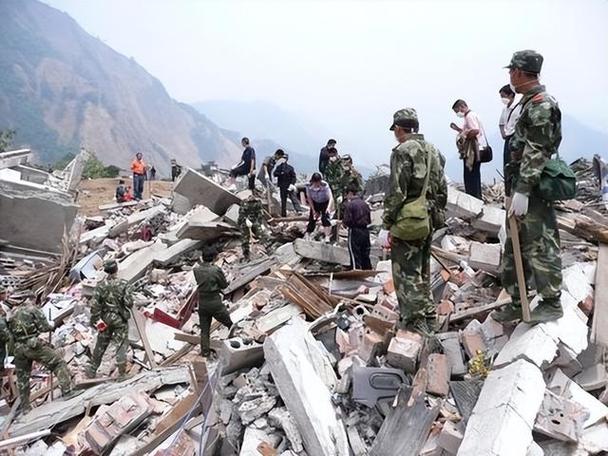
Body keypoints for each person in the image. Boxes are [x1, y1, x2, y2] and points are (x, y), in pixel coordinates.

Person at [493, 50, 564, 324]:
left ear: (520, 72)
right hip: (520, 185)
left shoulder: (542, 105)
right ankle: (516, 299)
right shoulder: (527, 103)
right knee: (515, 246)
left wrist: (523, 188)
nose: (510, 76)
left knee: (541, 243)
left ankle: (551, 301)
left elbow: (537, 150)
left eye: (511, 71)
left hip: (532, 188)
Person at [379, 108, 447, 333]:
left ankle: (415, 321)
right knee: (422, 270)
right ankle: (428, 316)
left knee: (406, 274)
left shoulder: (402, 151)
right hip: (427, 219)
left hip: (408, 222)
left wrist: (386, 223)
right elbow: (441, 188)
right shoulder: (433, 151)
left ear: (399, 129)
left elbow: (397, 192)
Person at [9, 301, 74, 412]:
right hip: (33, 345)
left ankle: (25, 408)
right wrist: (51, 324)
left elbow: (9, 333)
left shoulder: (12, 314)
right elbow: (45, 327)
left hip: (18, 348)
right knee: (58, 363)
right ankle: (67, 392)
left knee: (22, 378)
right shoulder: (32, 310)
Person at [85, 259, 134, 379]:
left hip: (105, 319)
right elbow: (129, 303)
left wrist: (95, 320)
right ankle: (122, 373)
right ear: (116, 270)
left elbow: (95, 305)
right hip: (119, 319)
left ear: (106, 271)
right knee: (121, 344)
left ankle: (92, 370)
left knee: (101, 344)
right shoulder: (124, 284)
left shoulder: (100, 286)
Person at [193, 249, 233, 357]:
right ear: (214, 257)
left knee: (204, 331)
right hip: (214, 301)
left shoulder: (196, 270)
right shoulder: (215, 270)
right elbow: (224, 285)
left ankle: (205, 353)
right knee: (230, 324)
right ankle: (233, 345)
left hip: (202, 302)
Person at [450, 100, 487, 199]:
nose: (458, 113)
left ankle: (473, 199)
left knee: (470, 176)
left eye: (457, 110)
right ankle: (477, 197)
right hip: (477, 148)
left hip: (473, 150)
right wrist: (459, 130)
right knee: (474, 175)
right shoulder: (472, 115)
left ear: (462, 107)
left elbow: (475, 130)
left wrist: (464, 136)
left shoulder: (470, 116)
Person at [498, 85, 522, 197]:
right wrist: (503, 134)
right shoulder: (505, 109)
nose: (502, 98)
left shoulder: (519, 108)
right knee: (507, 166)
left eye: (504, 96)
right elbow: (501, 123)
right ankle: (508, 195)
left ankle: (516, 193)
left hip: (516, 137)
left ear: (511, 95)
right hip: (508, 139)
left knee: (515, 166)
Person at [343, 187, 372, 270]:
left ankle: (356, 270)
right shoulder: (365, 204)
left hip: (355, 230)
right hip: (365, 231)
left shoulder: (350, 205)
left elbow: (347, 220)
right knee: (365, 253)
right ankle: (367, 270)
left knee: (354, 252)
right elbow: (369, 220)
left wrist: (346, 224)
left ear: (350, 194)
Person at [237, 194, 267, 261]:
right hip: (245, 222)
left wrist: (261, 223)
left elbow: (260, 213)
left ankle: (266, 248)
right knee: (245, 240)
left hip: (254, 220)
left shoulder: (257, 203)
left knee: (262, 234)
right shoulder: (244, 203)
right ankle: (246, 255)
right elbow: (241, 213)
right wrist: (245, 220)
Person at [305, 173, 333, 240]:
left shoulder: (325, 185)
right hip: (315, 202)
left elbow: (331, 197)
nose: (317, 184)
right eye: (316, 182)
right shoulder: (308, 186)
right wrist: (313, 209)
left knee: (325, 218)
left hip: (325, 202)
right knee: (312, 218)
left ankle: (327, 236)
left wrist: (328, 208)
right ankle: (308, 234)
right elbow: (309, 198)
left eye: (318, 182)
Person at [324, 148, 344, 216]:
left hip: (340, 187)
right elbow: (326, 174)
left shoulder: (341, 164)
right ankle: (336, 214)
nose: (331, 158)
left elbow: (343, 176)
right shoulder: (329, 164)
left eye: (332, 156)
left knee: (341, 202)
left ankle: (341, 215)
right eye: (330, 156)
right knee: (334, 202)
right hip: (331, 186)